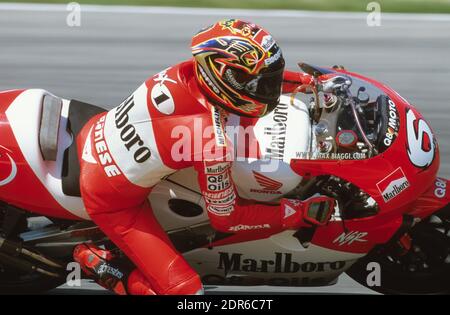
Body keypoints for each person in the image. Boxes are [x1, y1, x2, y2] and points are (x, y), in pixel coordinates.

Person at [73, 19, 336, 295]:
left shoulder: (189, 71)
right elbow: (227, 219)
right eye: (259, 82)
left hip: (98, 131)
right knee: (188, 294)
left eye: (270, 78)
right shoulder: (211, 143)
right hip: (112, 199)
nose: (268, 88)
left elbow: (252, 85)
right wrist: (295, 214)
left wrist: (310, 82)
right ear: (223, 75)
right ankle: (107, 267)